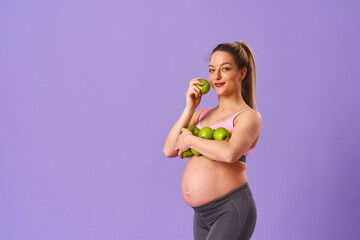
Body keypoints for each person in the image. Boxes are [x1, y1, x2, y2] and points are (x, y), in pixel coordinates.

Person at [163, 41, 262, 240]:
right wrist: (189, 107)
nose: (216, 76)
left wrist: (191, 141)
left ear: (242, 73)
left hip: (230, 208)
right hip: (201, 215)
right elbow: (169, 149)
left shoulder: (249, 116)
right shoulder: (202, 114)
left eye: (225, 69)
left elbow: (230, 153)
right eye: (211, 69)